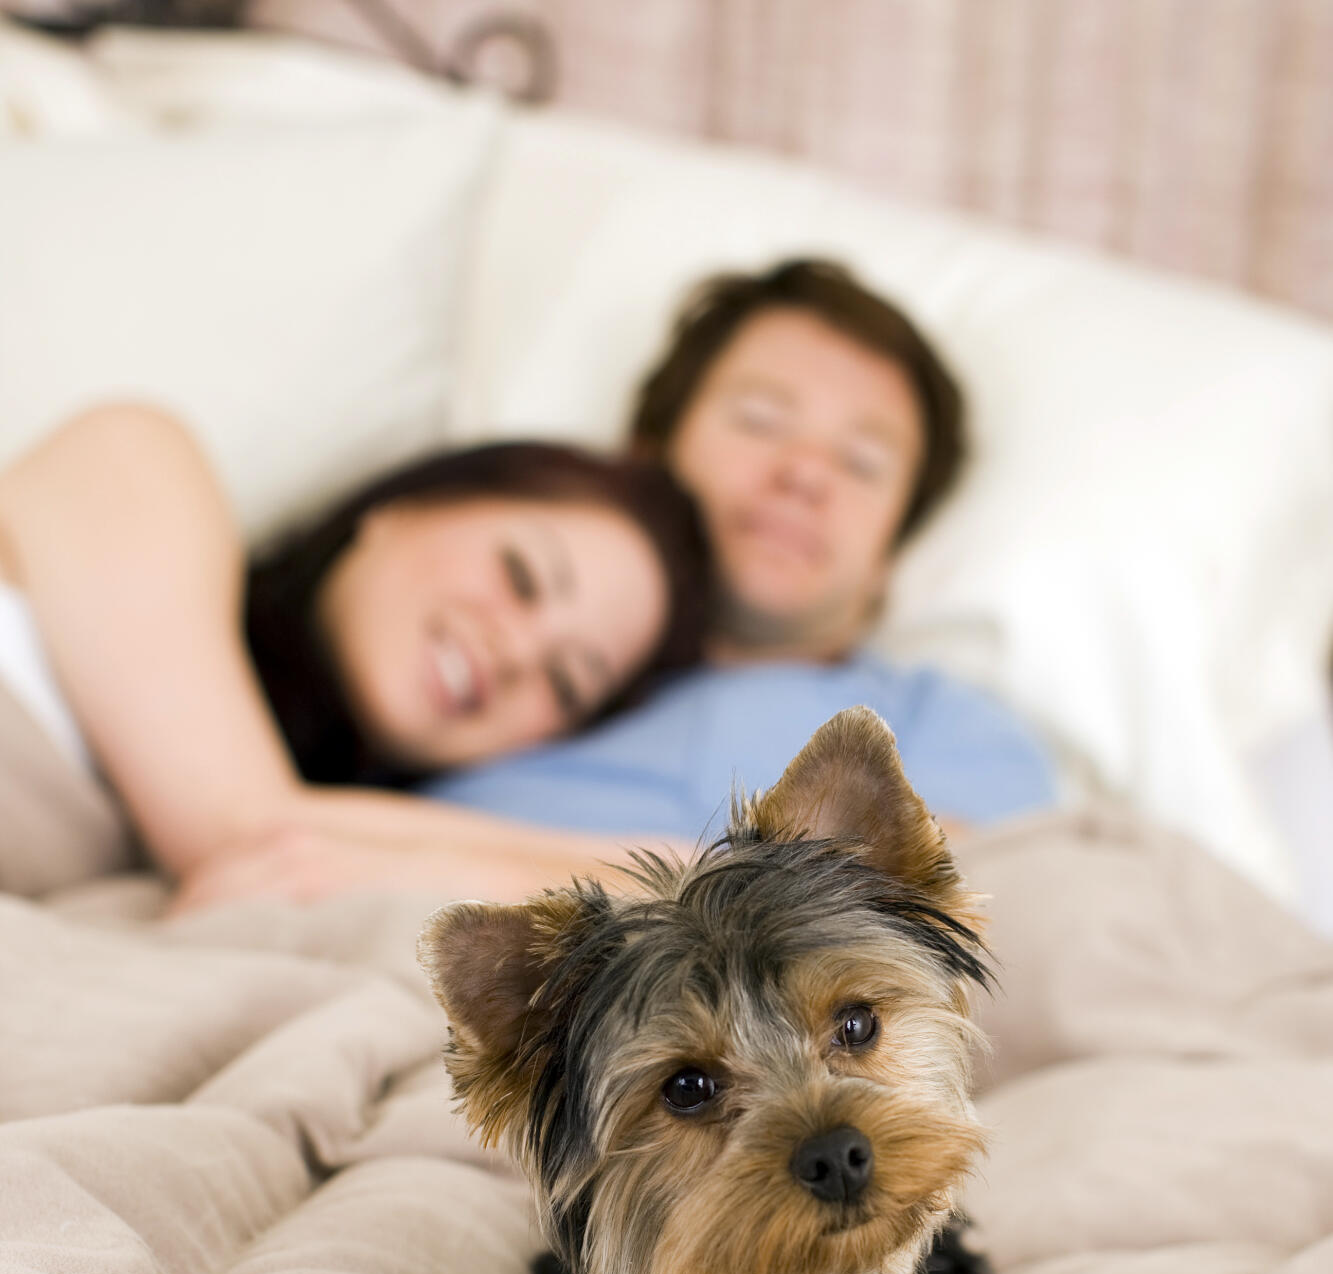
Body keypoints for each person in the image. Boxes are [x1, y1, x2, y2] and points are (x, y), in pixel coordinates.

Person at [423, 259, 1056, 841]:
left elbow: (969, 905)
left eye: (862, 463)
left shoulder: (944, 729)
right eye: (759, 419)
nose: (805, 473)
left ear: (886, 560)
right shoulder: (504, 646)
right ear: (646, 457)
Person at [0, 405, 711, 906]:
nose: (516, 651)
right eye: (520, 575)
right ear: (405, 508)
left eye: (564, 683)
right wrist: (647, 875)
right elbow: (247, 831)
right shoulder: (141, 463)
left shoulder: (344, 860)